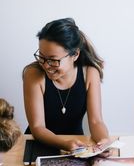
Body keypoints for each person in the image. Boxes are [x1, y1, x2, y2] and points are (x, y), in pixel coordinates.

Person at [23, 17, 110, 151]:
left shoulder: (90, 74)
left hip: (76, 145)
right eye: (41, 56)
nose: (46, 65)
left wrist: (104, 141)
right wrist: (64, 144)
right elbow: (37, 127)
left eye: (53, 60)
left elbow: (96, 121)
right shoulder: (33, 74)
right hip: (40, 144)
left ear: (75, 54)